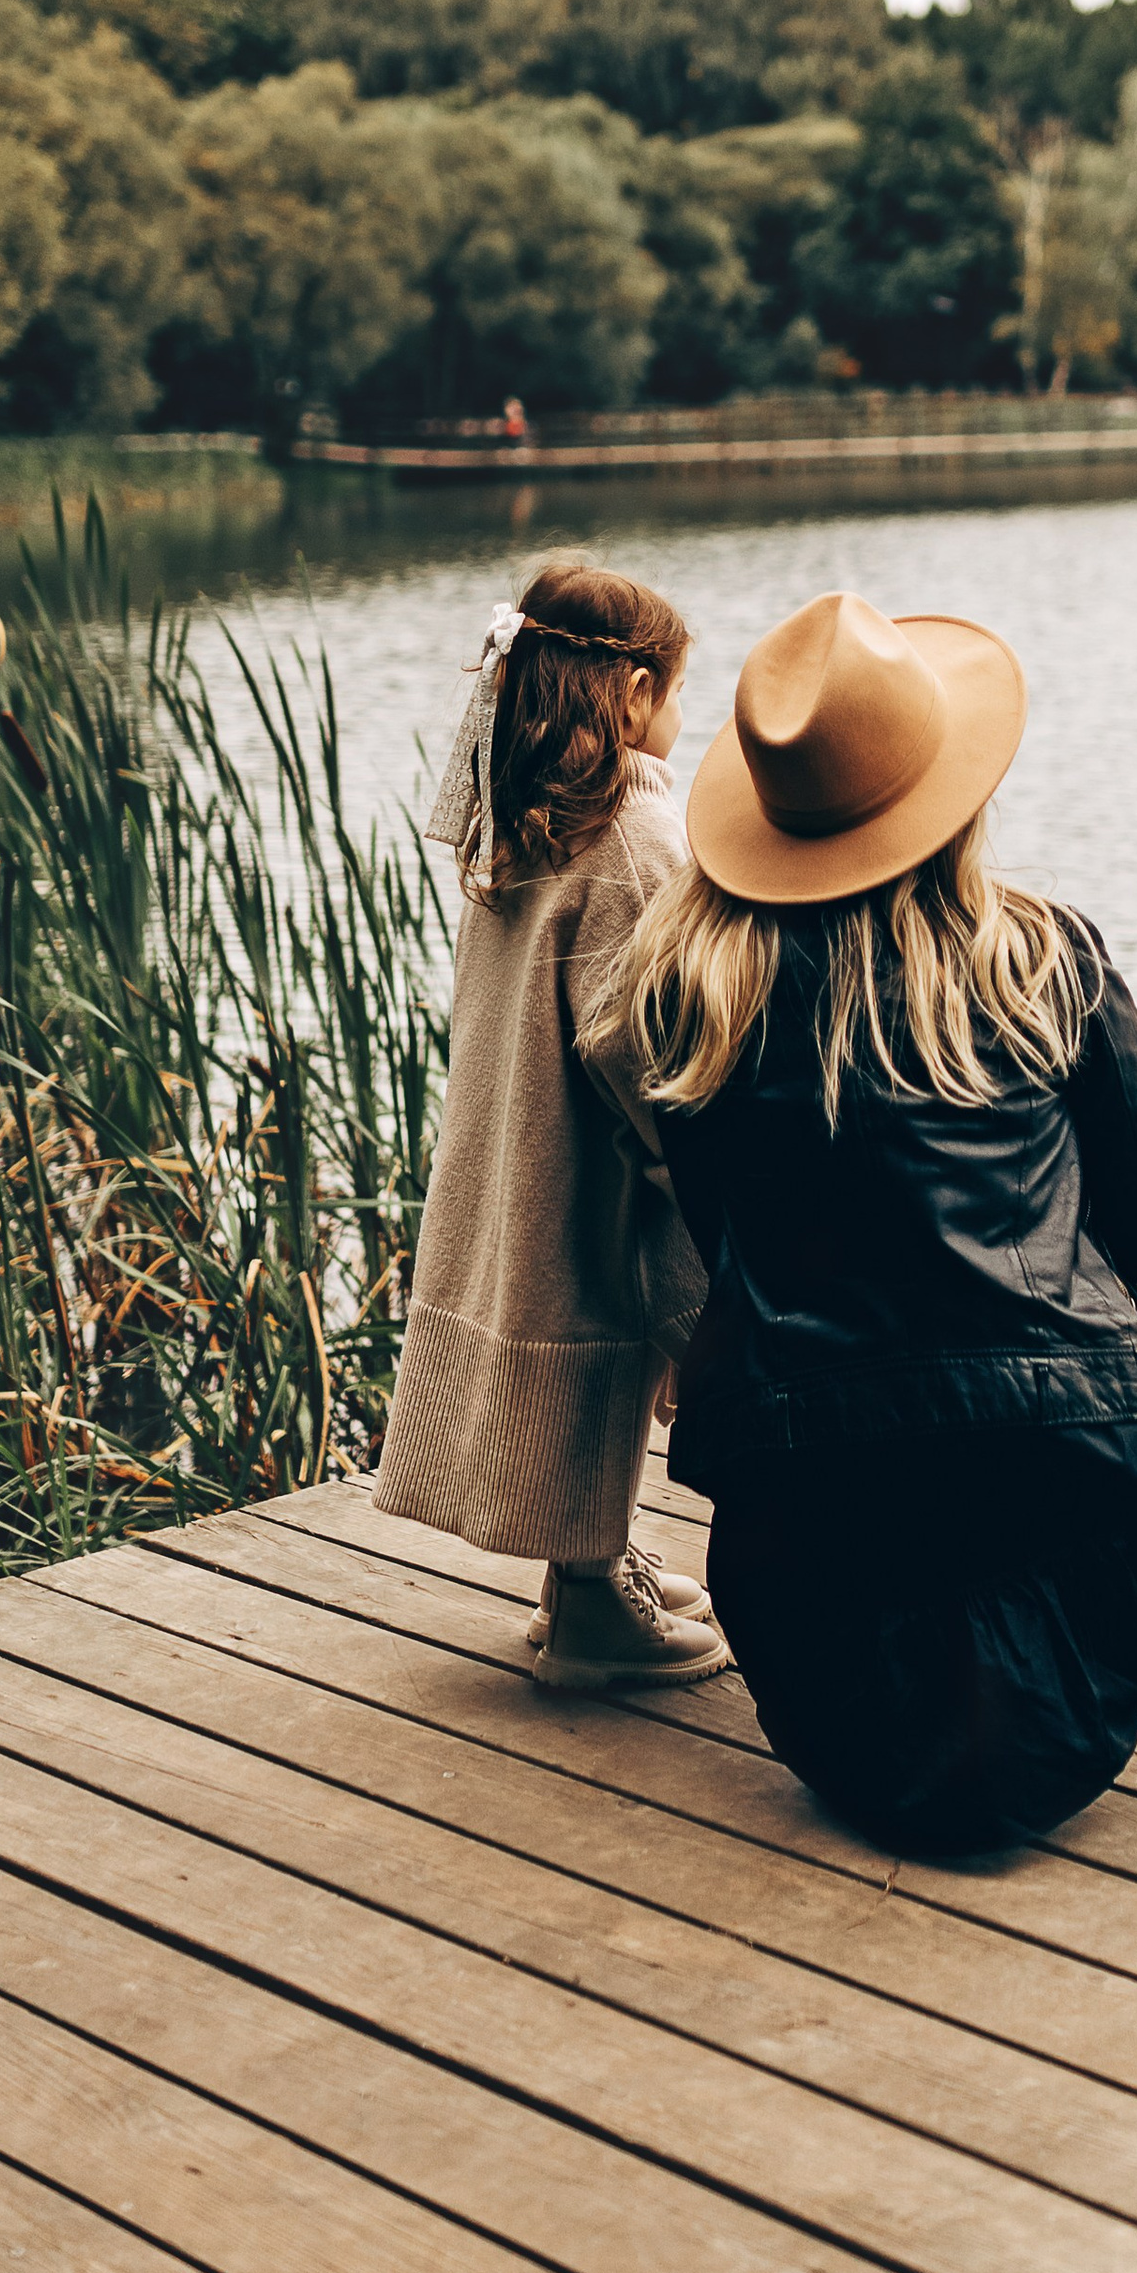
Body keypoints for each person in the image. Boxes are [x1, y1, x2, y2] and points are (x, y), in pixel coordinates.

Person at [589, 591, 1137, 1853]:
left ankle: (945, 1716)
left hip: (808, 1492)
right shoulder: (1045, 956)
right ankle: (1023, 1710)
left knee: (890, 1569)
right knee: (1132, 1437)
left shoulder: (688, 992)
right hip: (1076, 1453)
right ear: (952, 795)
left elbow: (726, 1246)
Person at [375, 559, 729, 1691]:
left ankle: (593, 1561)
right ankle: (589, 1613)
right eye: (677, 691)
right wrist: (702, 1169)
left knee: (578, 1327)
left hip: (513, 1135)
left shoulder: (528, 806)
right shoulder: (633, 833)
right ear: (629, 695)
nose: (684, 718)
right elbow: (639, 1040)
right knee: (601, 1332)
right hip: (582, 1154)